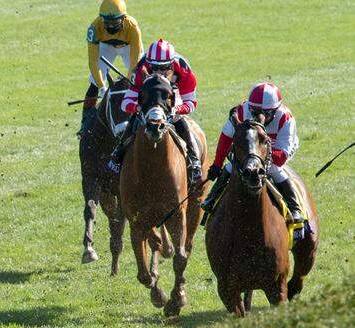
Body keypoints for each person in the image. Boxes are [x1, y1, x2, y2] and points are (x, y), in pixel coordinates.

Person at [202, 82, 308, 238]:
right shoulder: (241, 111)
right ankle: (212, 199)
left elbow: (281, 157)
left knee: (275, 170)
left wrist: (260, 155)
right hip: (250, 147)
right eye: (255, 112)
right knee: (231, 166)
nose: (260, 117)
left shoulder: (285, 118)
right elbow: (225, 138)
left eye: (265, 113)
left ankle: (295, 208)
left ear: (275, 110)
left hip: (276, 149)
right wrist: (217, 165)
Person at [107, 38, 204, 184]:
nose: (158, 72)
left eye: (163, 68)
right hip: (149, 101)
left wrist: (176, 109)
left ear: (171, 64)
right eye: (154, 68)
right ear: (148, 64)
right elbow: (125, 103)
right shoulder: (141, 68)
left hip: (172, 97)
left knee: (179, 120)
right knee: (135, 120)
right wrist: (139, 108)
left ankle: (194, 159)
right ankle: (118, 153)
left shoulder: (183, 70)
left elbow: (191, 102)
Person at [82, 0, 142, 135]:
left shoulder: (132, 27)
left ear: (123, 18)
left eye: (114, 22)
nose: (109, 26)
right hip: (106, 47)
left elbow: (135, 60)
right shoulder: (94, 28)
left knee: (141, 78)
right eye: (106, 22)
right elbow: (93, 61)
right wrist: (101, 86)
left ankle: (145, 116)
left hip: (128, 47)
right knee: (93, 84)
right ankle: (85, 123)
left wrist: (130, 83)